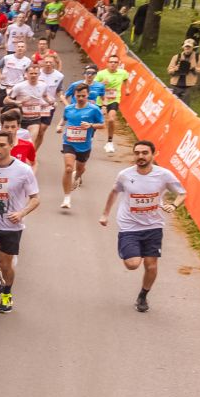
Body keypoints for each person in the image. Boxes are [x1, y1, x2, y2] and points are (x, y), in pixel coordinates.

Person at [99, 142, 187, 313]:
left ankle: (143, 296)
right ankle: (129, 249)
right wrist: (105, 214)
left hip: (154, 225)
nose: (140, 156)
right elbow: (113, 192)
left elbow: (182, 193)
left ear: (153, 154)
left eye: (145, 153)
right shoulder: (125, 175)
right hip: (129, 225)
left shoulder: (164, 175)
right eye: (137, 153)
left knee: (151, 265)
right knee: (132, 264)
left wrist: (174, 205)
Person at [0, 133, 40, 313]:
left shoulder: (24, 170)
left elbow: (35, 199)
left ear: (11, 145)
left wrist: (21, 213)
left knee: (6, 264)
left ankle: (7, 294)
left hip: (11, 226)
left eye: (2, 145)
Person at [58, 83, 105, 209]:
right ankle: (67, 198)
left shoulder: (94, 109)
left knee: (80, 169)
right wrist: (60, 125)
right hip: (69, 142)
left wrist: (91, 125)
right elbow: (64, 119)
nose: (80, 98)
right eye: (78, 96)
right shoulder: (69, 108)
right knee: (68, 168)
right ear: (74, 95)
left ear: (88, 95)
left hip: (84, 145)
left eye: (83, 96)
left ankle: (77, 176)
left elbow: (102, 125)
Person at [93, 54, 130, 154]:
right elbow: (93, 86)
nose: (113, 64)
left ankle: (109, 142)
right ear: (107, 63)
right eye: (111, 62)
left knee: (111, 119)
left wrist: (127, 88)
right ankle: (90, 137)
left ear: (118, 64)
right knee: (96, 121)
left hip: (113, 99)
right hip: (100, 100)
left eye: (115, 62)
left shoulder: (122, 73)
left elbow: (126, 79)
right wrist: (101, 84)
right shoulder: (101, 74)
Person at [0, 40, 32, 111]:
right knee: (1, 109)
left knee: (15, 109)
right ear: (15, 48)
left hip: (17, 87)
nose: (20, 48)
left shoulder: (28, 61)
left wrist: (26, 77)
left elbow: (29, 73)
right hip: (4, 86)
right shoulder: (7, 58)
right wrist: (0, 75)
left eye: (22, 47)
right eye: (18, 47)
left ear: (25, 49)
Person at [167, 38, 200, 105]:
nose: (187, 48)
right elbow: (169, 70)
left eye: (189, 47)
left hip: (188, 86)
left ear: (193, 48)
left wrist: (193, 68)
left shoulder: (198, 57)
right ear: (183, 47)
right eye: (186, 46)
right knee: (172, 105)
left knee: (185, 106)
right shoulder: (176, 57)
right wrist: (175, 69)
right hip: (175, 85)